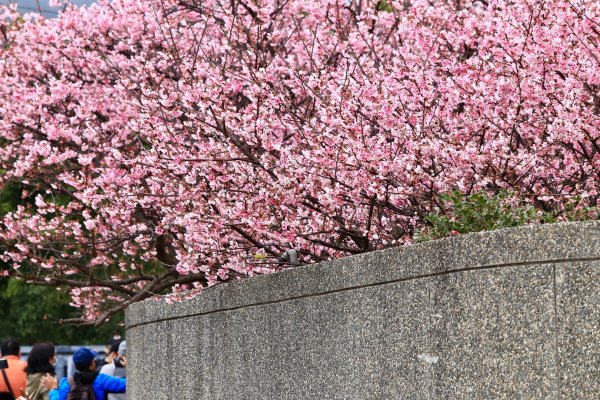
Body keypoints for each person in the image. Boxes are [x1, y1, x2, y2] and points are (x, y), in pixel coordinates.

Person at [46, 348, 125, 400]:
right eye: (94, 360)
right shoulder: (101, 380)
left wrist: (53, 389)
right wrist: (127, 366)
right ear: (92, 364)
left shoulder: (67, 383)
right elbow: (128, 384)